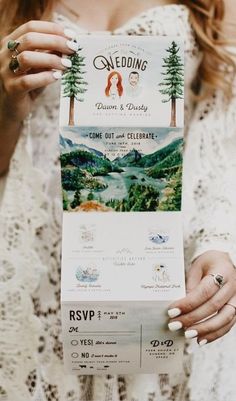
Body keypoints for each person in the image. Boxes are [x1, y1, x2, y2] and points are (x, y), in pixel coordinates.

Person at [0, 0, 236, 400]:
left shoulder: (214, 5)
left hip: (163, 272)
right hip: (43, 267)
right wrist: (6, 103)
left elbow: (218, 136)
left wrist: (218, 243)